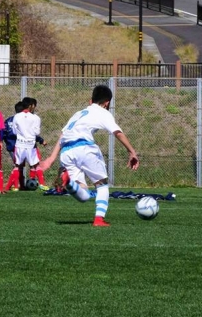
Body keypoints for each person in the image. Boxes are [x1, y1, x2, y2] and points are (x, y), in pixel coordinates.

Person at [39, 85, 139, 227]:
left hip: (66, 151)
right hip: (84, 148)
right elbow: (117, 132)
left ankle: (68, 182)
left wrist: (51, 158)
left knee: (84, 194)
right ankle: (99, 219)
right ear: (107, 103)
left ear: (90, 100)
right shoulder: (103, 112)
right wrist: (131, 151)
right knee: (102, 185)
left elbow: (63, 135)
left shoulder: (78, 114)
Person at [11, 97, 49, 191]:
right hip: (30, 144)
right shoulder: (35, 118)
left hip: (20, 144)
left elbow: (14, 131)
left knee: (17, 165)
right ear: (30, 106)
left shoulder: (17, 116)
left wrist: (22, 134)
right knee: (35, 165)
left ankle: (15, 187)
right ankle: (42, 184)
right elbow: (37, 132)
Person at [2, 101, 23, 192]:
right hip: (20, 145)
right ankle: (14, 185)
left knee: (18, 165)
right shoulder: (23, 120)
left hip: (10, 146)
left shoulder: (8, 120)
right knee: (18, 165)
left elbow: (3, 132)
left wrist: (6, 142)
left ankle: (19, 185)